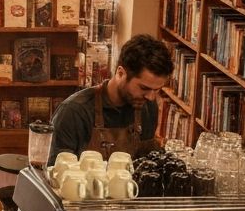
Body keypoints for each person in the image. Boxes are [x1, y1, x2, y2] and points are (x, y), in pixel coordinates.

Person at [48, 33, 174, 164]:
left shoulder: (147, 106)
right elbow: (55, 174)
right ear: (120, 73)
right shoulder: (74, 112)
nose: (151, 97)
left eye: (156, 90)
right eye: (144, 88)